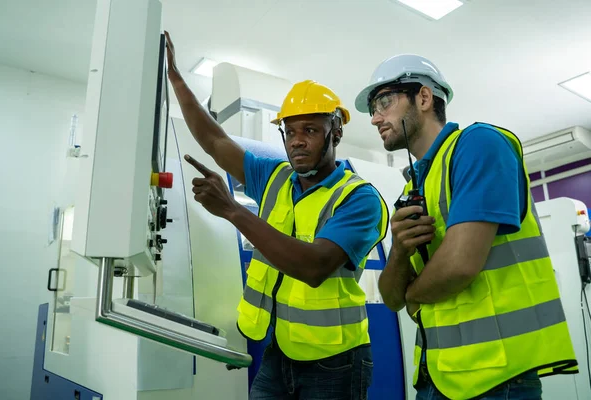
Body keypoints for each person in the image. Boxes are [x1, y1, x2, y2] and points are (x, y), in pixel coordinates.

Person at [165, 31, 389, 400]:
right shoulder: (276, 176)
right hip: (280, 351)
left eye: (311, 130)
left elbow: (314, 267)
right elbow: (215, 141)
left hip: (337, 363)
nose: (297, 141)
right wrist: (176, 77)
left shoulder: (358, 198)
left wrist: (234, 211)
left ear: (336, 132)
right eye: (291, 131)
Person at [355, 54, 578, 400]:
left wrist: (414, 296)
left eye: (384, 101)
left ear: (424, 98)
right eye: (373, 107)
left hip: (497, 378)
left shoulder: (479, 144)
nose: (375, 117)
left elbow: (459, 265)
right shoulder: (415, 187)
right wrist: (399, 251)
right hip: (439, 376)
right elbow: (390, 298)